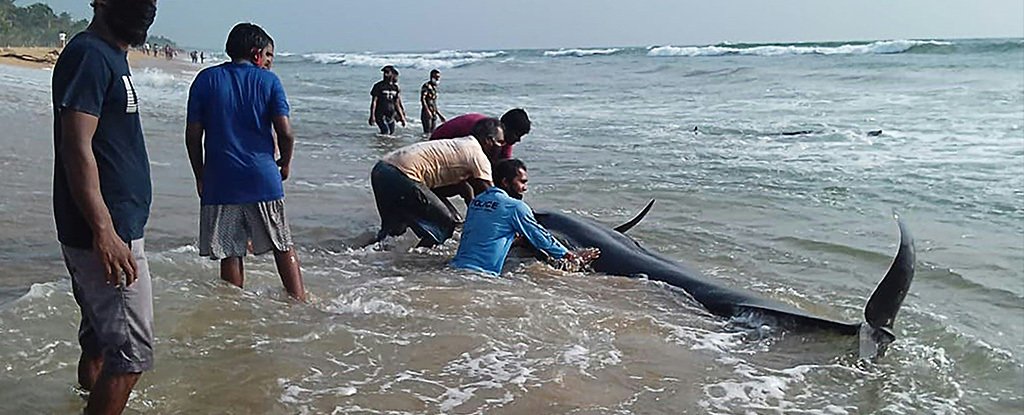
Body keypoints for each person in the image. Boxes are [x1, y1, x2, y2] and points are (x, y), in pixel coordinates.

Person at [51, 0, 157, 413]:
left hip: (108, 228)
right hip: (105, 234)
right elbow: (77, 147)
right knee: (131, 358)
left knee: (99, 345)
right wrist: (105, 231)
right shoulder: (90, 54)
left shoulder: (110, 55)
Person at [185, 23, 306, 301]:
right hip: (262, 176)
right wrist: (285, 163)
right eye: (269, 56)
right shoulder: (269, 82)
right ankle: (299, 303)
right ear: (256, 54)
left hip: (220, 177)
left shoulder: (205, 80)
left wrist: (200, 174)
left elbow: (193, 135)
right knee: (282, 244)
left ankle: (234, 309)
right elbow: (285, 132)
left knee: (230, 250)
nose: (270, 62)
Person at [451, 159, 599, 275]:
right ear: (505, 182)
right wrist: (570, 255)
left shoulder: (477, 201)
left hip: (455, 268)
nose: (525, 188)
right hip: (481, 275)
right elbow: (540, 238)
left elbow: (485, 234)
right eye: (522, 182)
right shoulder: (514, 207)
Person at [370, 118, 503, 248]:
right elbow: (492, 195)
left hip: (382, 169)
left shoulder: (461, 145)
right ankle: (417, 263)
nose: (502, 148)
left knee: (393, 231)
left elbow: (466, 189)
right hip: (402, 174)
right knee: (445, 225)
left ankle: (366, 258)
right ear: (489, 141)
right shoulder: (478, 155)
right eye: (500, 142)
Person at [430, 108, 531, 160]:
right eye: (517, 135)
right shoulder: (481, 130)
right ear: (505, 128)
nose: (518, 140)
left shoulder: (504, 140)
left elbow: (504, 166)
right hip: (437, 147)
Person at [368, 65, 406, 135]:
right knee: (385, 131)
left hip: (391, 114)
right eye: (384, 72)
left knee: (391, 133)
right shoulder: (378, 86)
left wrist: (402, 117)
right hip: (380, 113)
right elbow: (374, 102)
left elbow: (397, 103)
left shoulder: (395, 87)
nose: (385, 74)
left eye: (387, 72)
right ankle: (380, 144)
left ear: (392, 74)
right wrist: (372, 116)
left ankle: (384, 144)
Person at [419, 69, 445, 134]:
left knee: (433, 132)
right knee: (427, 132)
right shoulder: (427, 86)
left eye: (438, 77)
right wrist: (427, 111)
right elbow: (423, 99)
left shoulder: (434, 88)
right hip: (426, 113)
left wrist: (439, 114)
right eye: (436, 77)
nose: (437, 79)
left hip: (433, 112)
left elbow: (434, 103)